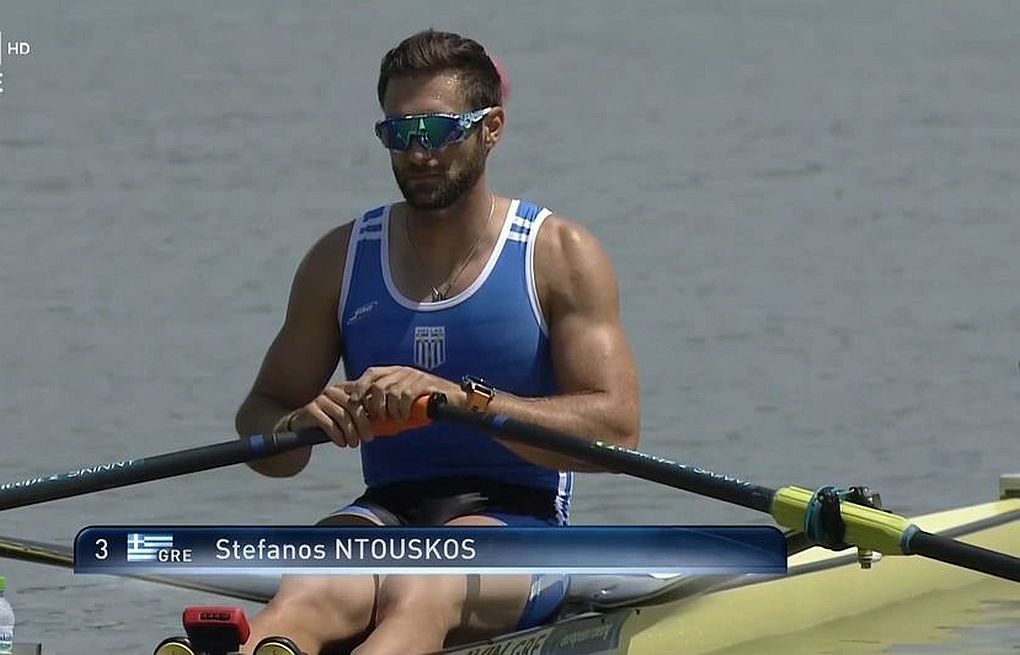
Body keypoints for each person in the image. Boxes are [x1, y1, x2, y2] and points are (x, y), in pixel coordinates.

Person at [233, 29, 640, 655]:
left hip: (519, 519)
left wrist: (459, 401)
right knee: (306, 589)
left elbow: (616, 432)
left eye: (438, 130)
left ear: (492, 128)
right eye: (398, 134)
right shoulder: (338, 260)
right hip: (384, 510)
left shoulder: (559, 255)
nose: (418, 152)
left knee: (425, 586)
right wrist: (298, 424)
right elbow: (261, 432)